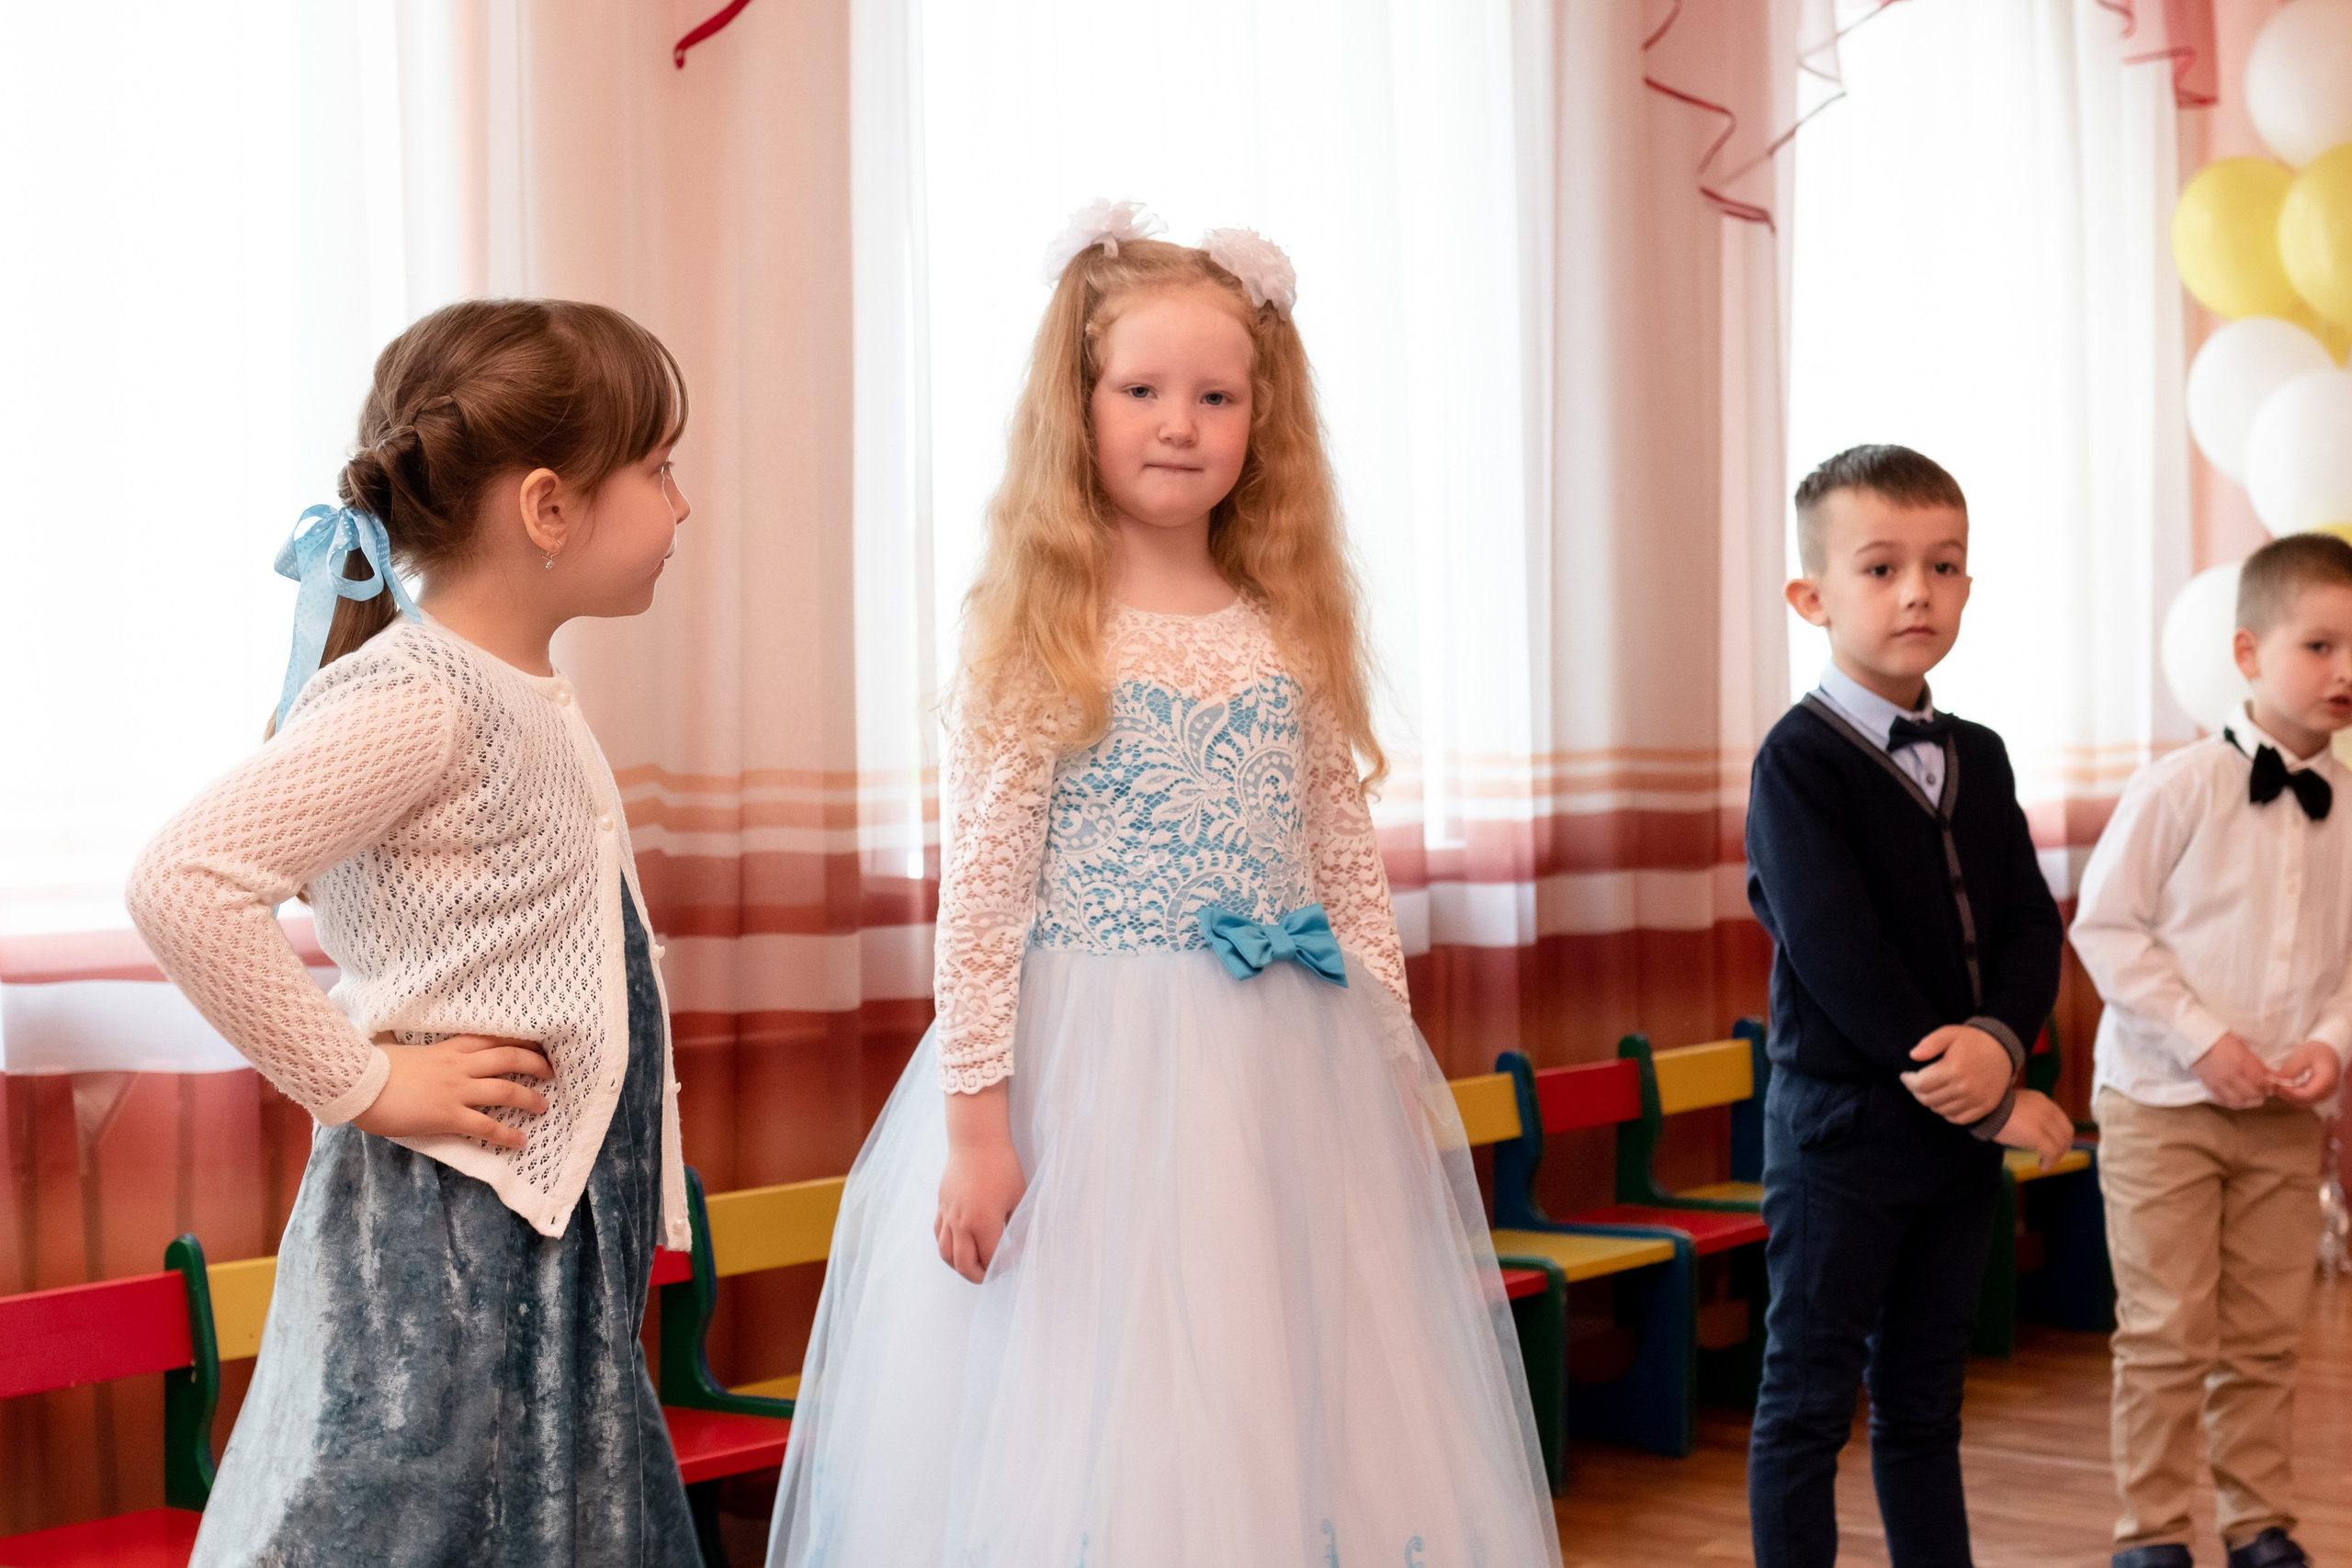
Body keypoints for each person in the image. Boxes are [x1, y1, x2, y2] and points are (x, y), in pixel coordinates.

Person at [765, 204, 1563, 1567]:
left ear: (1265, 418)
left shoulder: (1285, 626)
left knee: (1284, 1367)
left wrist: (1382, 1043)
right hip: (1096, 1069)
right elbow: (984, 903)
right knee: (1112, 1374)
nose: (1179, 422)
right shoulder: (1042, 634)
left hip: (1285, 1066)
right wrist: (975, 1127)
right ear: (1078, 407)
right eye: (1141, 390)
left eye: (1216, 395)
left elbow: (1341, 856)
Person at [126, 299, 701, 1567]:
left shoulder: (517, 688)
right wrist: (367, 1080)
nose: (683, 505)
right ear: (549, 508)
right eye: (659, 469)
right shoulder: (419, 697)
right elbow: (183, 878)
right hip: (445, 1245)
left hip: (534, 1243)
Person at [1743, 444, 2075, 1568]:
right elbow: (1840, 955)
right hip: (1845, 1132)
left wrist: (2000, 1044)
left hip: (1953, 1140)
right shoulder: (1797, 763)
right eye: (1880, 568)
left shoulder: (1977, 753)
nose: (1917, 592)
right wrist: (1982, 1099)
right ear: (1811, 595)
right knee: (1806, 1399)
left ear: (1969, 588)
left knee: (1927, 1397)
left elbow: (2030, 923)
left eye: (1943, 566)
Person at [2071, 531, 2352, 1568]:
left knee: (2265, 1334)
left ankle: (2258, 1522)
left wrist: (2330, 1043)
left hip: (2285, 1113)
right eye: (2319, 646)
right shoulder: (2177, 787)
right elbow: (2106, 929)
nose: (2345, 673)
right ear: (2247, 653)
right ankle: (2148, 1532)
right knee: (2163, 1333)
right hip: (2160, 1104)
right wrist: (2203, 1043)